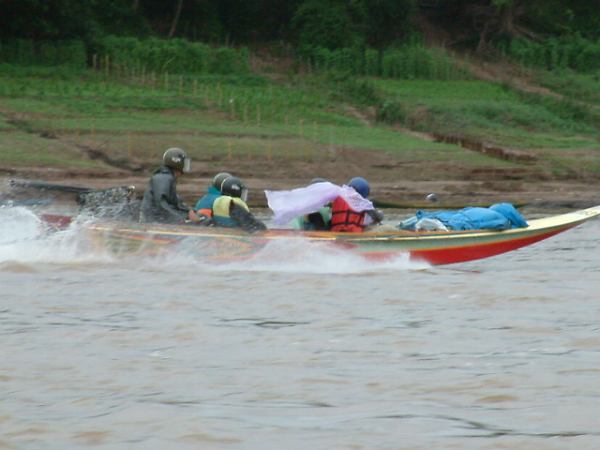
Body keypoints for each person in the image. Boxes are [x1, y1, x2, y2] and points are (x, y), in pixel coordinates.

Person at [139, 147, 198, 224]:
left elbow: (175, 200)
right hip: (152, 219)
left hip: (157, 217)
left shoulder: (168, 177)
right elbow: (161, 204)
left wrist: (188, 210)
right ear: (177, 163)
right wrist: (179, 219)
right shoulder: (163, 178)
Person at [191, 176, 267, 232]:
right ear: (236, 191)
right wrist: (263, 230)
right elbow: (249, 222)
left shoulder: (216, 202)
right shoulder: (231, 202)